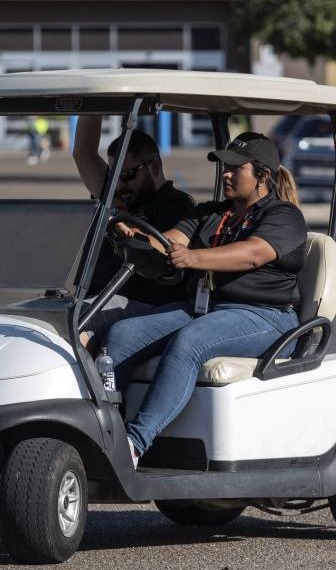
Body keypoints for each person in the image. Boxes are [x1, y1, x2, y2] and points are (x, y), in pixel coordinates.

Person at [101, 132, 305, 466]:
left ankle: (133, 443)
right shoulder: (211, 213)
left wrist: (194, 258)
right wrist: (132, 235)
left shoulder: (283, 216)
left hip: (266, 316)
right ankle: (105, 431)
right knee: (121, 335)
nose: (225, 173)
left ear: (262, 176)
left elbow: (253, 254)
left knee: (189, 342)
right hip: (208, 309)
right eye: (224, 166)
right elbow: (169, 241)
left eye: (235, 168)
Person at [73, 115, 196, 343]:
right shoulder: (117, 195)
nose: (119, 184)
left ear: (155, 166)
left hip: (142, 301)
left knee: (72, 326)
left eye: (128, 175)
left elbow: (166, 247)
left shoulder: (178, 205)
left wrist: (128, 232)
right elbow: (83, 154)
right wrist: (93, 102)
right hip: (96, 297)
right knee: (27, 317)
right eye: (114, 176)